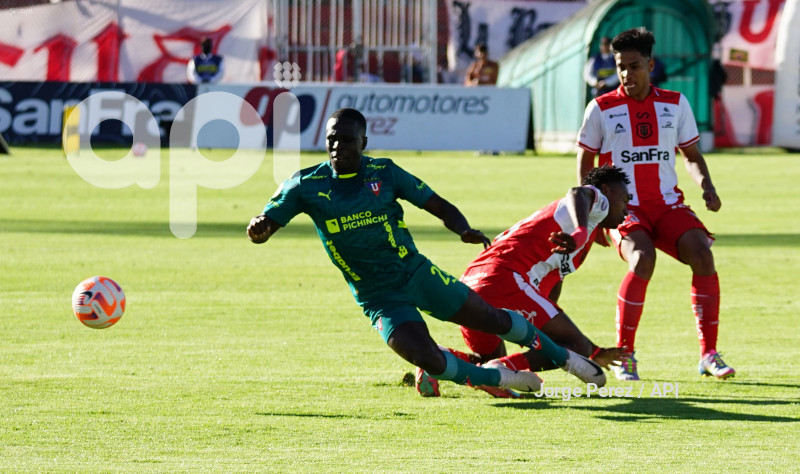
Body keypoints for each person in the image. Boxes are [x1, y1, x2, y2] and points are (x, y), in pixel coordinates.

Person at [248, 108, 606, 395]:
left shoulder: (384, 173)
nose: (338, 147)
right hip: (378, 298)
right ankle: (500, 379)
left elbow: (434, 203)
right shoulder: (305, 185)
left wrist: (462, 228)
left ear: (364, 141)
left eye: (347, 140)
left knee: (492, 319)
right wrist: (259, 228)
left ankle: (565, 358)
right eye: (332, 140)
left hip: (416, 274)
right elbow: (267, 222)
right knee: (427, 358)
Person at [576, 27, 735, 381]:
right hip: (623, 210)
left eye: (634, 66)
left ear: (650, 65)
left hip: (667, 205)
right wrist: (591, 213)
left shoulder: (675, 103)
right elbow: (586, 162)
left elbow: (691, 155)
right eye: (621, 67)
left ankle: (709, 353)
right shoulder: (601, 107)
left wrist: (707, 186)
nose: (626, 74)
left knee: (703, 255)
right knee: (642, 258)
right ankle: (625, 354)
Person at [416, 165, 632, 397]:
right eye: (625, 199)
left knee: (490, 359)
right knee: (573, 347)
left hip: (473, 280)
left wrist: (540, 336)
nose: (626, 209)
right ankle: (500, 371)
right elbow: (579, 192)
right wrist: (580, 230)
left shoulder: (572, 236)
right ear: (607, 190)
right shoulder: (593, 204)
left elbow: (550, 290)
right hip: (503, 279)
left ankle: (436, 360)